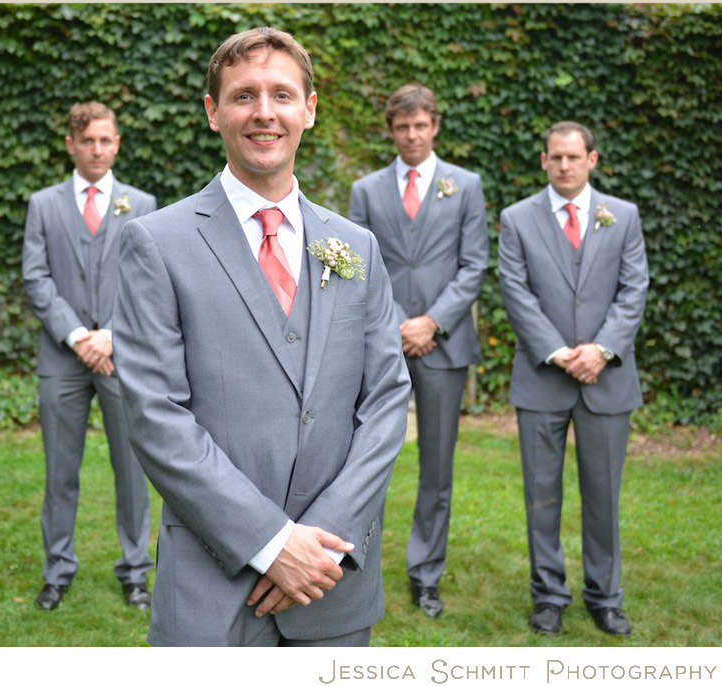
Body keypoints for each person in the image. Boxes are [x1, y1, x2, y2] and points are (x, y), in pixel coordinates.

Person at [112, 27, 411, 647]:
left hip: (333, 580)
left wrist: (320, 542)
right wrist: (270, 544)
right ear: (212, 112)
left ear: (310, 107)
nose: (264, 112)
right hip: (213, 586)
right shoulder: (158, 243)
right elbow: (155, 415)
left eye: (281, 94)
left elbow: (385, 402)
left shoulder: (356, 247)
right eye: (244, 96)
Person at [498, 121, 648, 637]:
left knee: (603, 494)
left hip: (606, 379)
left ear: (592, 160)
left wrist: (601, 351)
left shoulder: (622, 216)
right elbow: (515, 292)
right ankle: (548, 595)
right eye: (555, 157)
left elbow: (634, 290)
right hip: (544, 378)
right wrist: (562, 353)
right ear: (543, 161)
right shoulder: (517, 219)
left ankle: (606, 597)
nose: (564, 165)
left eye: (573, 157)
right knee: (542, 495)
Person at [348, 85, 488, 619]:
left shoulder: (465, 186)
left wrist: (431, 322)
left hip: (442, 344)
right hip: (380, 345)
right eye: (402, 127)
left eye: (420, 126)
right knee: (365, 458)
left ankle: (426, 574)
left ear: (434, 127)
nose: (411, 135)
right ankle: (356, 565)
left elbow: (473, 264)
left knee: (437, 465)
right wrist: (393, 328)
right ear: (391, 130)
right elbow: (361, 263)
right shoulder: (366, 189)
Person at [22, 102, 156, 612]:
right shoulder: (44, 204)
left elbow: (147, 281)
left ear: (117, 143)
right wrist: (78, 335)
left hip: (124, 359)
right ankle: (57, 570)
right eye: (88, 141)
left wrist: (112, 336)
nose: (98, 149)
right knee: (60, 470)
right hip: (63, 359)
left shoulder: (141, 204)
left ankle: (135, 570)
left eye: (106, 140)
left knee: (132, 467)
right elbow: (36, 278)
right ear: (71, 145)